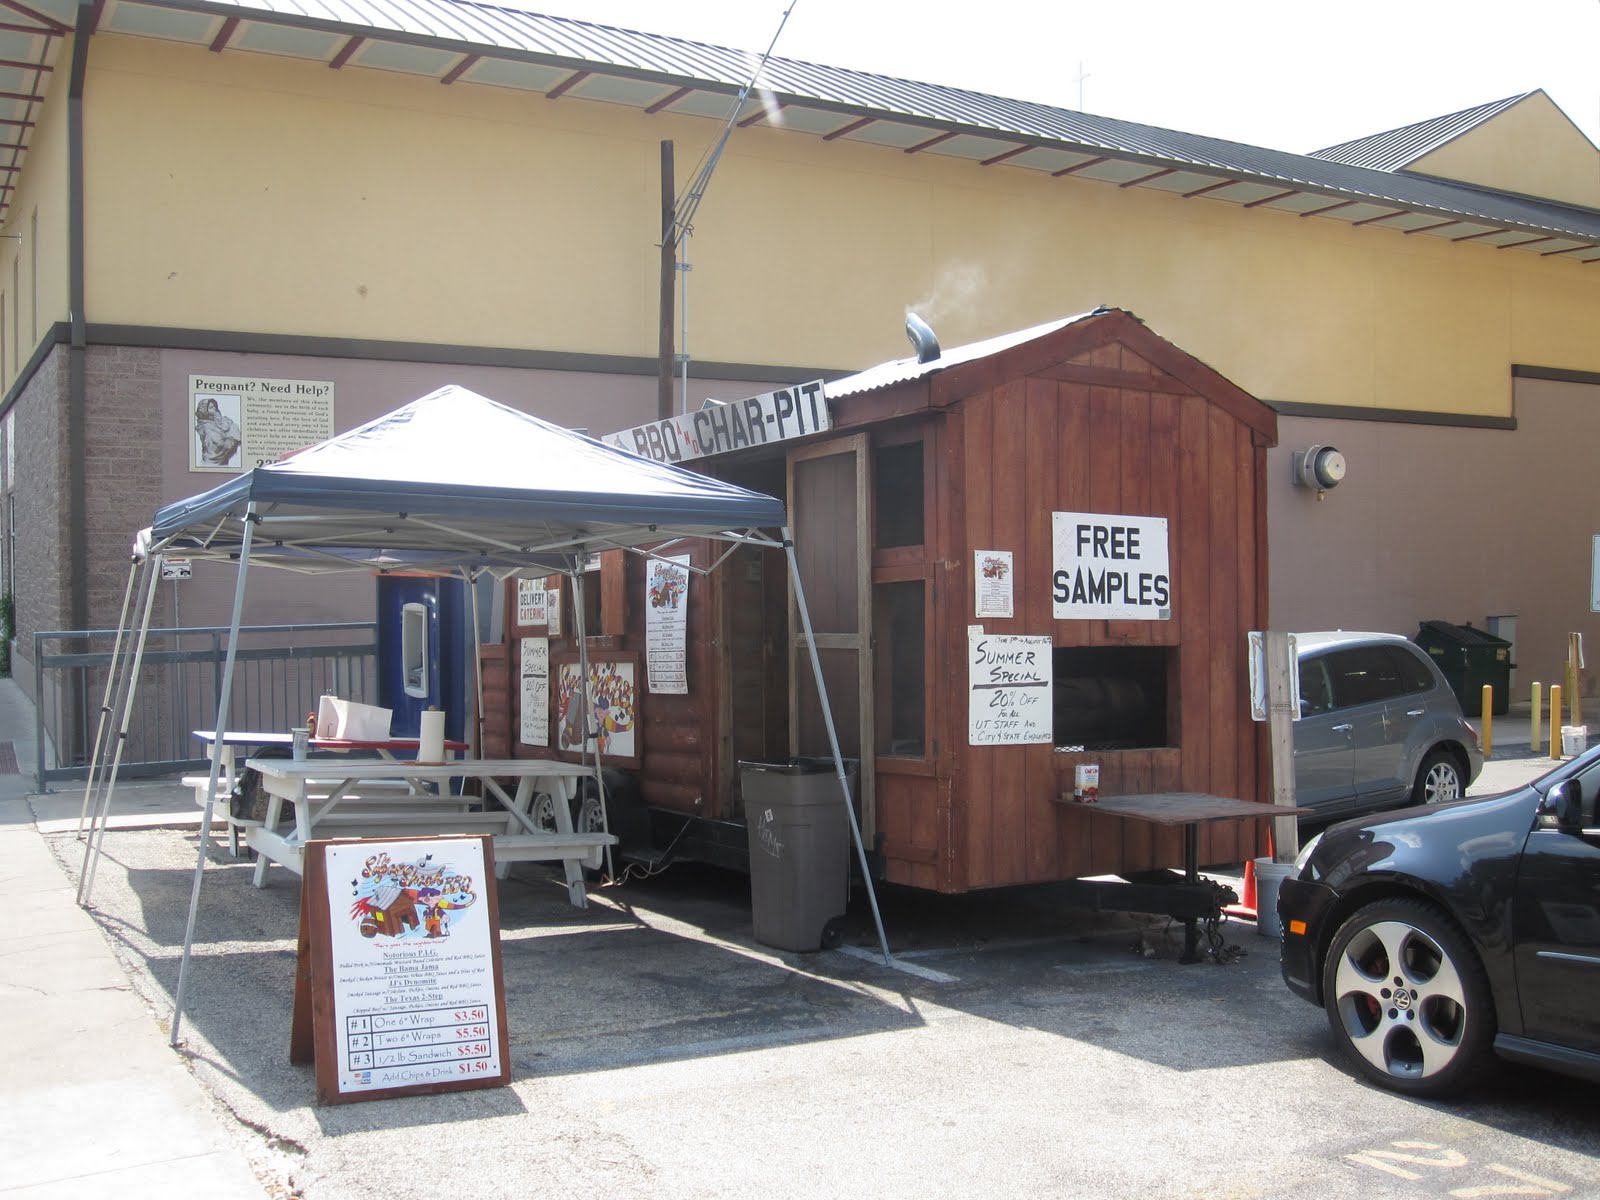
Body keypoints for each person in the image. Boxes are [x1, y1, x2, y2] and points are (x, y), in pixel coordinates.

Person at [194, 396, 242, 466]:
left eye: (214, 406)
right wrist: (233, 438)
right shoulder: (206, 426)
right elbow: (222, 444)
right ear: (205, 411)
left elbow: (229, 426)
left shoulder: (217, 419)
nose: (214, 409)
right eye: (210, 407)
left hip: (224, 460)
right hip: (213, 461)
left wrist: (220, 419)